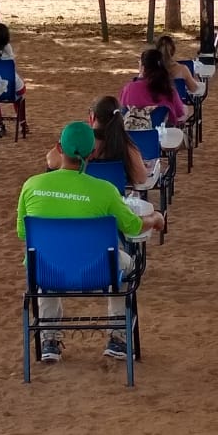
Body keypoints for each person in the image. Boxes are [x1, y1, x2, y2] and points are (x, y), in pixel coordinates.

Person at [17, 121, 164, 363]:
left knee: (42, 257)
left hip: (48, 270)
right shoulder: (105, 190)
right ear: (92, 154)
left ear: (59, 148)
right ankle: (118, 336)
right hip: (99, 269)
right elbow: (133, 226)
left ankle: (48, 340)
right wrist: (155, 218)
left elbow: (24, 233)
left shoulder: (32, 186)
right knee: (124, 264)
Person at [46, 95, 149, 186]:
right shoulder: (126, 145)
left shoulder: (81, 140)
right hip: (112, 201)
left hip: (81, 198)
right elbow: (141, 178)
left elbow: (51, 161)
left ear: (93, 117)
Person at [120, 48, 186, 125]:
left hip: (131, 136)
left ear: (143, 68)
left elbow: (123, 111)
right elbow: (179, 114)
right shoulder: (167, 89)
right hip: (160, 135)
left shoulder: (128, 89)